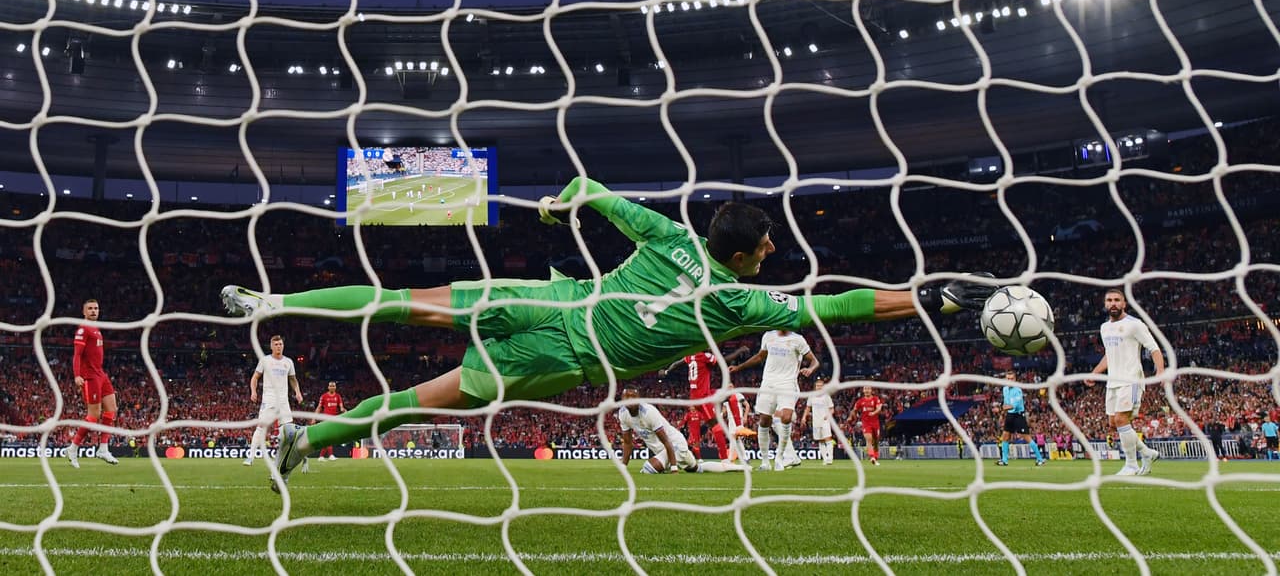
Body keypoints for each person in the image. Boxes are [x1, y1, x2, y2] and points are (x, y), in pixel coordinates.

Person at [219, 177, 998, 491]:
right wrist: (930, 297)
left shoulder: (672, 238)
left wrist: (564, 205)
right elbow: (838, 309)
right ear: (746, 252)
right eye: (766, 247)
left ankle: (271, 302)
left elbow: (593, 189)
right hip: (561, 350)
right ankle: (308, 437)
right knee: (423, 396)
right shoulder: (742, 306)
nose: (771, 253)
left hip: (548, 301)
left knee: (398, 304)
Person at [1084, 289, 1166, 476]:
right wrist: (1094, 373)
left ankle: (1131, 464)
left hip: (1131, 379)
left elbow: (1154, 349)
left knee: (1122, 419)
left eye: (1117, 300)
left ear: (1124, 303)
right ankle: (1147, 453)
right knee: (1114, 424)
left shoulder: (1135, 325)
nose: (1113, 303)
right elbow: (1108, 355)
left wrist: (1160, 371)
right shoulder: (1104, 328)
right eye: (1109, 300)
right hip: (1112, 381)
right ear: (1105, 304)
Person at [729, 328, 818, 471]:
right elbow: (759, 357)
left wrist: (810, 369)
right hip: (768, 383)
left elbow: (814, 361)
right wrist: (739, 367)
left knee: (786, 417)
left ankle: (780, 458)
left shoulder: (798, 339)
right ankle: (765, 462)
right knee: (764, 421)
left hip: (788, 384)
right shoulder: (768, 336)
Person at [616, 388, 744, 474]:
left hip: (674, 444)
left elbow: (666, 440)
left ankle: (669, 464)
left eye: (633, 396)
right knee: (696, 468)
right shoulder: (623, 413)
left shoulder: (649, 412)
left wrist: (674, 468)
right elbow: (627, 443)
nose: (630, 399)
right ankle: (740, 468)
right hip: (664, 450)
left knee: (648, 469)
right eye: (627, 397)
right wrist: (623, 466)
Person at [659, 347, 749, 460]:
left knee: (730, 395)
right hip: (703, 398)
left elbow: (677, 363)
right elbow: (723, 360)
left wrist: (667, 371)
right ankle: (726, 457)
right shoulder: (703, 356)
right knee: (716, 427)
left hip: (696, 397)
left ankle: (737, 429)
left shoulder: (690, 356)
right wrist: (738, 351)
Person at [66, 299, 119, 467]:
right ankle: (73, 448)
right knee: (93, 415)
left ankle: (103, 448)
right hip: (90, 376)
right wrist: (77, 375)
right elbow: (77, 355)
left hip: (100, 373)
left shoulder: (96, 329)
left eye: (96, 308)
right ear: (84, 312)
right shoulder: (83, 329)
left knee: (111, 409)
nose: (94, 311)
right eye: (90, 308)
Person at [244, 335, 304, 468]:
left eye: (280, 344)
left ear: (283, 346)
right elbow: (255, 378)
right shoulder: (265, 360)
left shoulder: (288, 362)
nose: (278, 346)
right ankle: (251, 456)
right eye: (276, 344)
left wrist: (298, 392)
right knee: (261, 427)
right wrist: (253, 391)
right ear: (271, 346)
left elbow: (293, 380)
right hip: (269, 399)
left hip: (283, 401)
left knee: (288, 431)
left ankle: (283, 459)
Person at [997, 371, 1044, 467]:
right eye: (1008, 379)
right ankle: (1004, 460)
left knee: (1026, 437)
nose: (1009, 381)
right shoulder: (1005, 389)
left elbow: (1013, 405)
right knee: (1005, 436)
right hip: (1010, 415)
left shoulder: (1018, 390)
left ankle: (1040, 459)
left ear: (1015, 380)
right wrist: (1002, 413)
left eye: (1011, 379)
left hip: (1018, 415)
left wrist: (1001, 408)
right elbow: (1006, 404)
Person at [799, 377, 836, 465]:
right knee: (820, 440)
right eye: (817, 386)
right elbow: (808, 408)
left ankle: (830, 458)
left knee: (828, 438)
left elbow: (832, 409)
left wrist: (828, 415)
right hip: (815, 421)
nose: (819, 387)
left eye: (821, 386)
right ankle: (825, 458)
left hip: (825, 420)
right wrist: (804, 417)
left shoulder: (826, 396)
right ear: (815, 387)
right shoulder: (812, 396)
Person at [850, 387, 884, 466]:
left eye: (868, 389)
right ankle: (872, 457)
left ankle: (875, 457)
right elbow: (854, 409)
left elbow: (879, 408)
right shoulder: (860, 401)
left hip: (875, 423)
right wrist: (852, 417)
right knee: (869, 439)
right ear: (863, 390)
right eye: (865, 389)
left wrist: (874, 413)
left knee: (875, 441)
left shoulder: (875, 399)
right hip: (866, 423)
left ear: (871, 390)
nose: (867, 390)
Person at [315, 382, 347, 461]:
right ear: (328, 387)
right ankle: (330, 455)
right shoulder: (324, 396)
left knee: (329, 438)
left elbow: (341, 407)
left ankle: (321, 456)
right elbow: (319, 407)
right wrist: (314, 418)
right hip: (326, 419)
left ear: (335, 387)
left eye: (333, 386)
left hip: (334, 420)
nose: (332, 387)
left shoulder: (338, 396)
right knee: (329, 437)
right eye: (330, 386)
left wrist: (344, 411)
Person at [721, 390, 754, 463]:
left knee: (733, 438)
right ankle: (745, 458)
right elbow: (724, 411)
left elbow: (747, 405)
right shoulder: (725, 398)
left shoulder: (738, 395)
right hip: (730, 421)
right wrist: (720, 415)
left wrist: (745, 416)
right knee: (737, 439)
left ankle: (730, 458)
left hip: (738, 420)